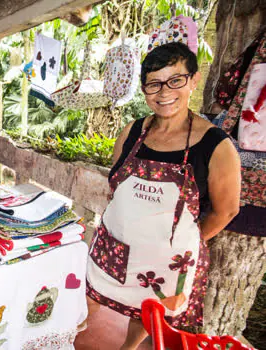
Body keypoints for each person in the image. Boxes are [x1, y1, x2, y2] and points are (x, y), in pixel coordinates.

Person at [85, 42, 241, 350]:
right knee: (91, 294)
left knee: (148, 308)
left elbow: (226, 211)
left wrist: (176, 246)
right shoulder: (131, 132)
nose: (164, 92)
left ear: (193, 80)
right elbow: (116, 184)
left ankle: (128, 347)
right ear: (144, 89)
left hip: (164, 259)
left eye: (176, 80)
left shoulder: (217, 146)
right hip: (115, 242)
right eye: (154, 83)